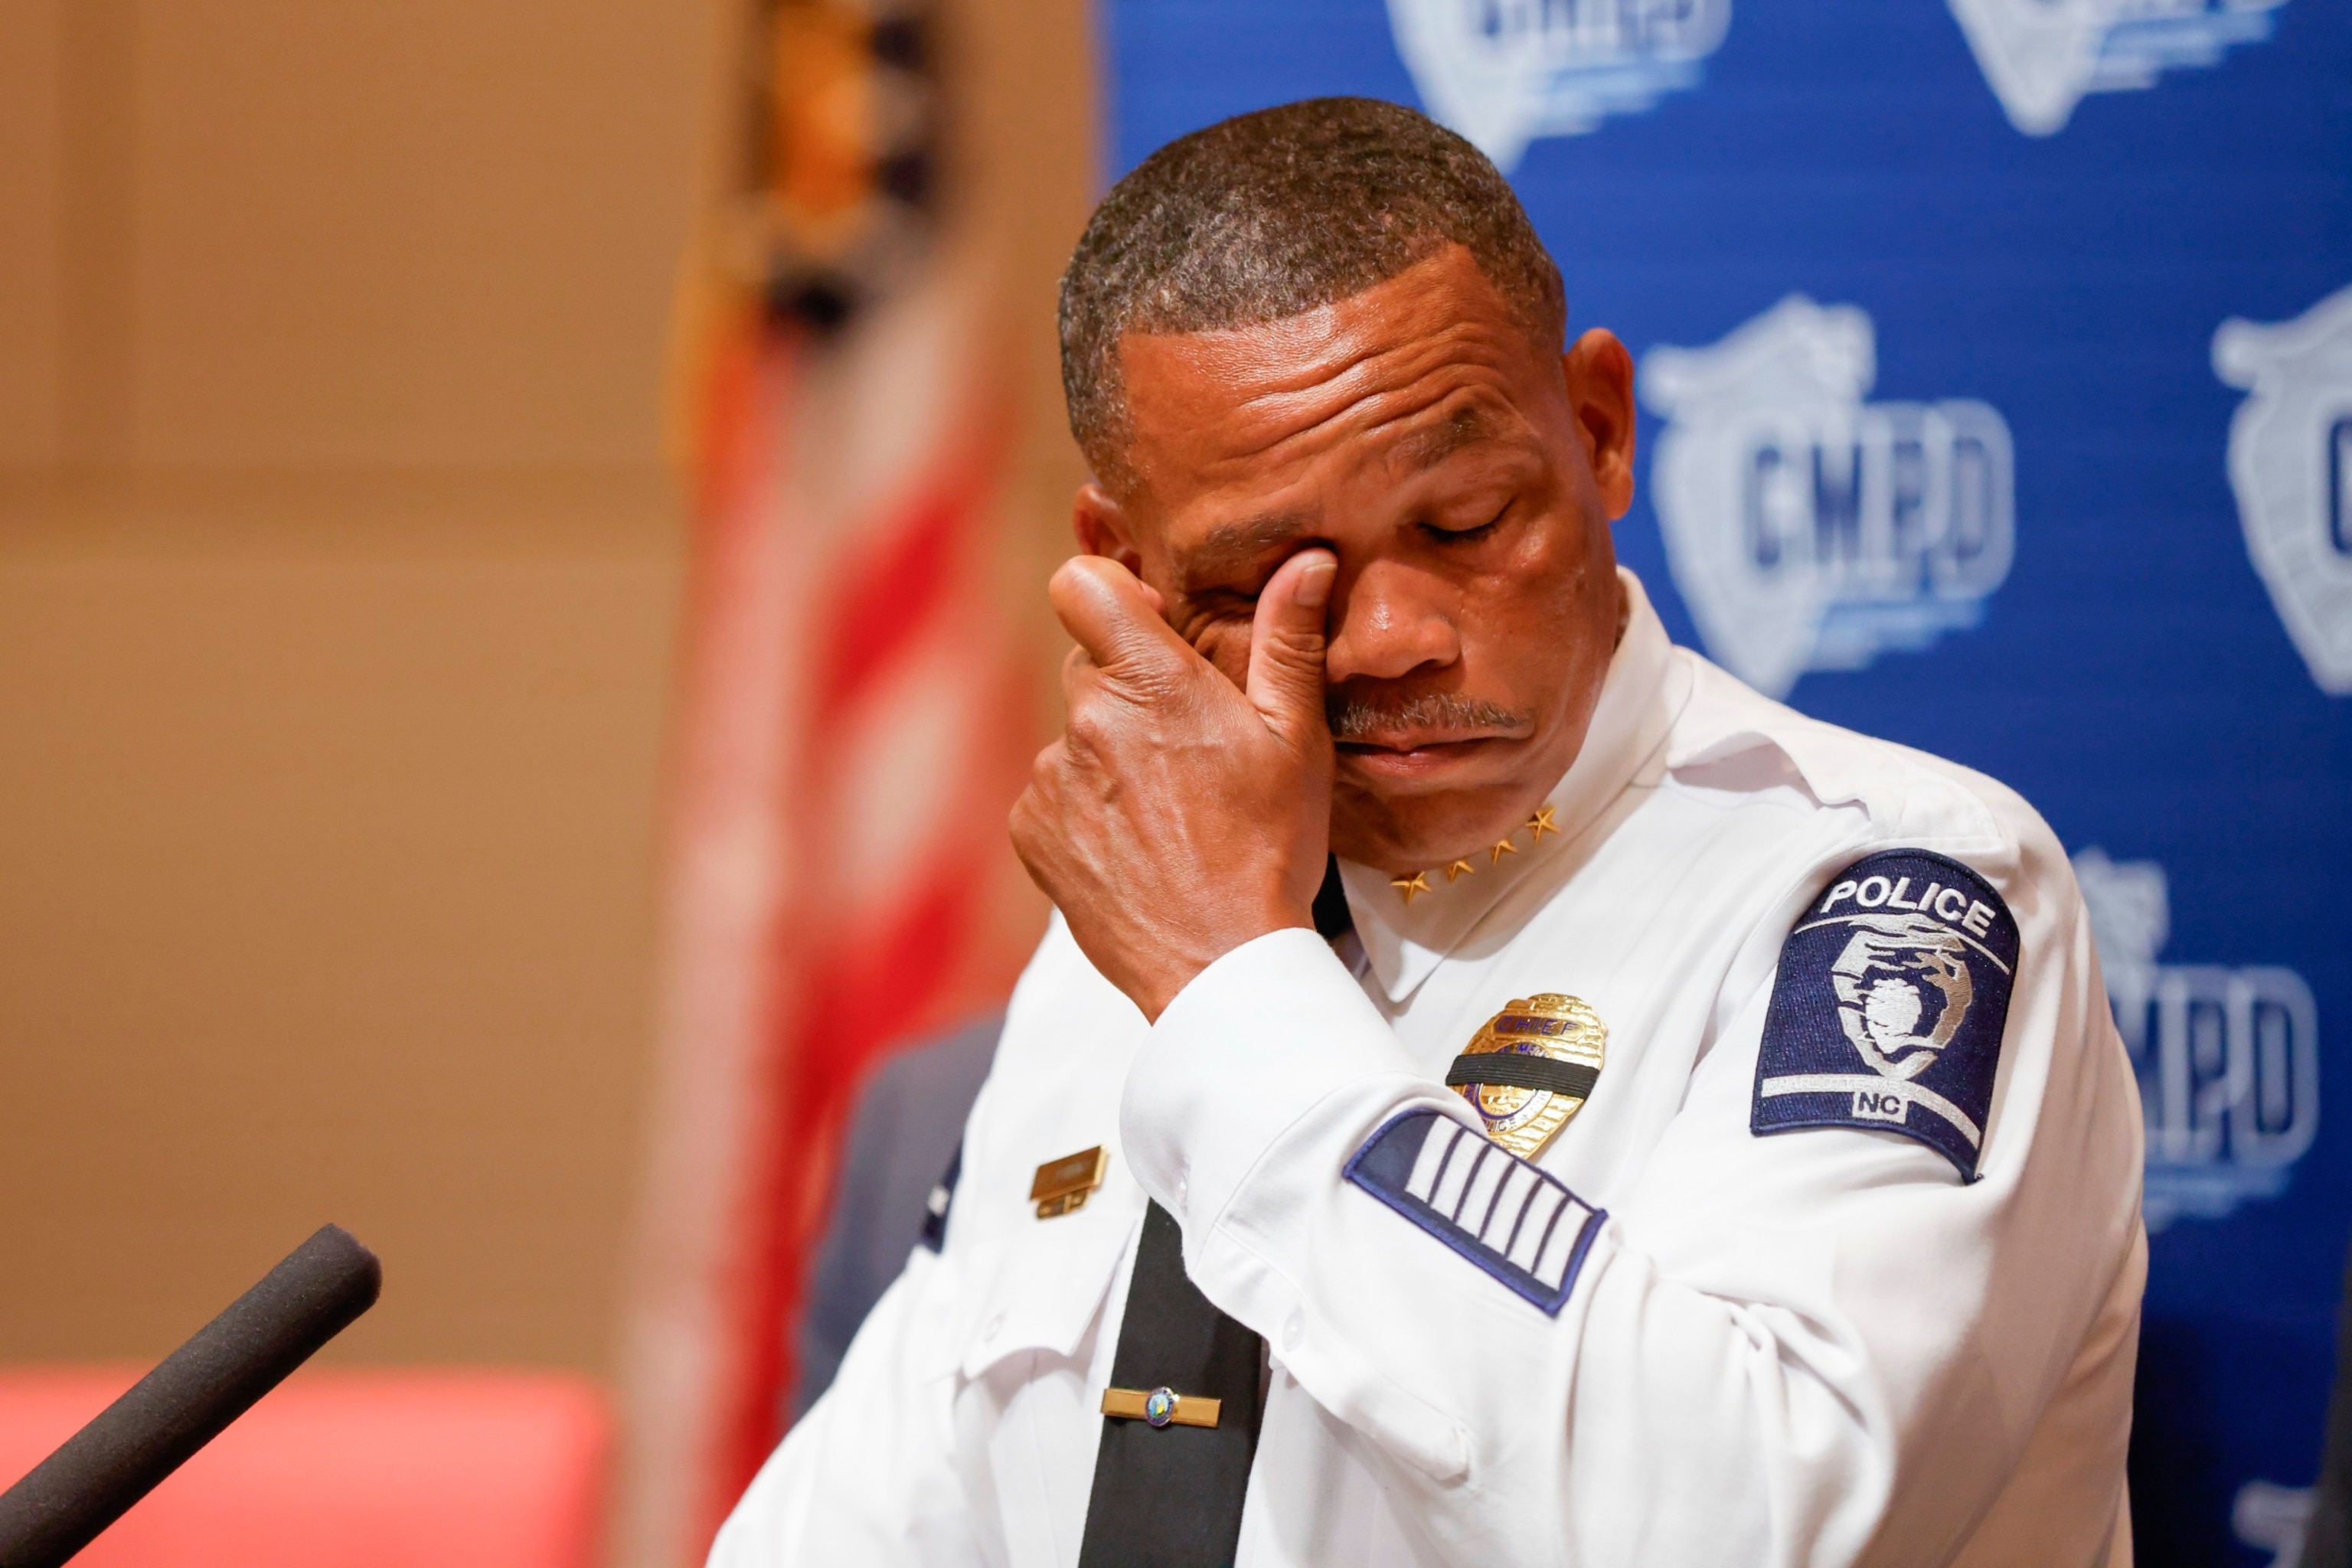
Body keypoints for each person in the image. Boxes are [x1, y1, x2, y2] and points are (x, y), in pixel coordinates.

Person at [709, 96, 2145, 1567]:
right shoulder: (1128, 948)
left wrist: (1237, 993)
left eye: (1464, 524)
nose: (1387, 637)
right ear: (1122, 568)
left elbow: (1755, 1521)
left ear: (1596, 435)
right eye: (1270, 571)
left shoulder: (1887, 887)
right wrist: (1216, 957)